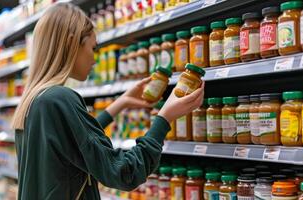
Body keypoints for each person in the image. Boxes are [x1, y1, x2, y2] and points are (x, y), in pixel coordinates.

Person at [11, 2, 205, 200]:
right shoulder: (59, 99)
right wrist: (164, 118)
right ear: (71, 43)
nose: (94, 59)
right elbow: (123, 173)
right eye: (93, 48)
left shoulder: (34, 101)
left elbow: (75, 142)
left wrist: (120, 104)